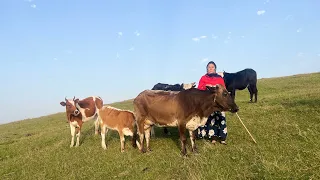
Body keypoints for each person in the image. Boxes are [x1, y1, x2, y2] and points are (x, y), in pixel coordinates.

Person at [197, 61, 228, 145]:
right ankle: (213, 137)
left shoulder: (219, 78)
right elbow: (199, 89)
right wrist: (206, 86)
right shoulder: (203, 78)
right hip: (209, 103)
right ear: (207, 69)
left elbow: (224, 89)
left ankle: (222, 138)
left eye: (212, 67)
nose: (210, 68)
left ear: (215, 69)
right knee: (211, 119)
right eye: (209, 67)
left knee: (221, 118)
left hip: (219, 103)